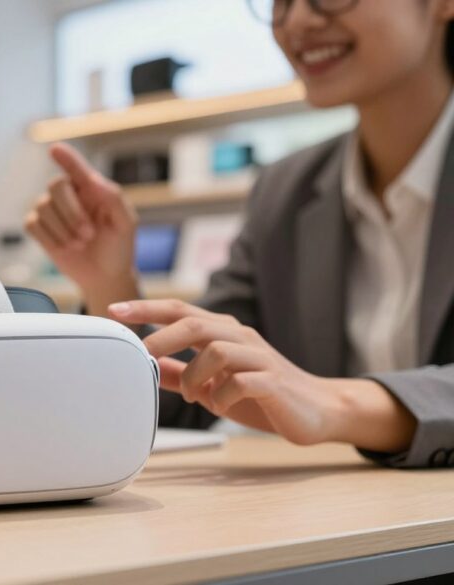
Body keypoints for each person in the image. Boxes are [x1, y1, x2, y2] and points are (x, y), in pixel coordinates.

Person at [26, 0, 454, 468]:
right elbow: (188, 392)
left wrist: (334, 405)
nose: (298, 21)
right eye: (281, 3)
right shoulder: (285, 191)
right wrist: (108, 281)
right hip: (349, 521)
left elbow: (311, 401)